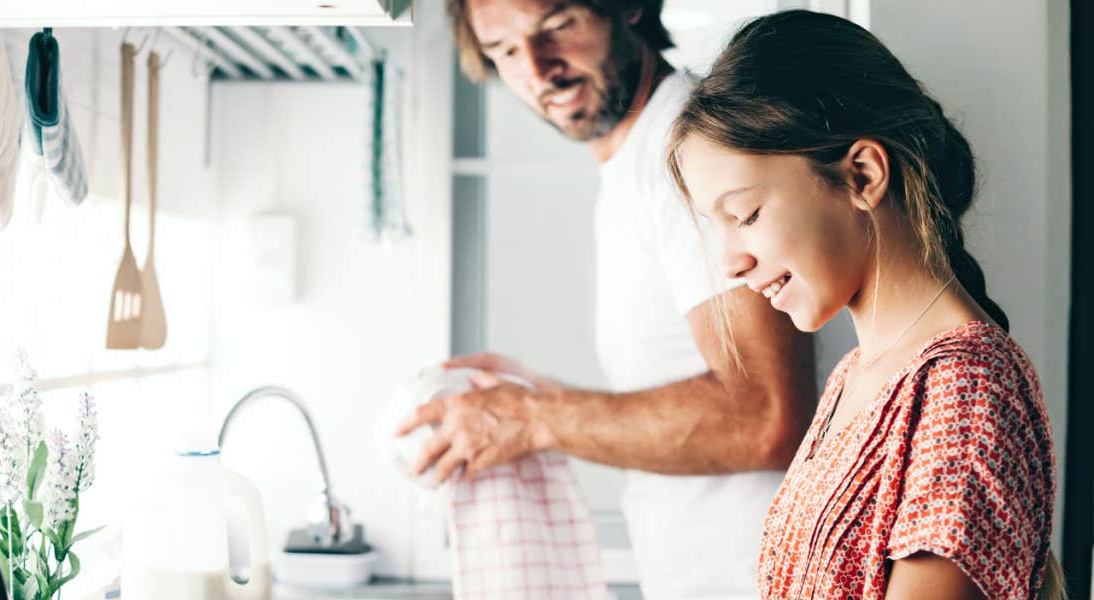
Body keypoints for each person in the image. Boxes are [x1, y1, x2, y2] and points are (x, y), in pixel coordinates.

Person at [396, 1, 819, 597]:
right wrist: (543, 401)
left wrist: (533, 418)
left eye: (556, 27)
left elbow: (767, 417)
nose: (541, 71)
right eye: (506, 51)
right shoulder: (637, 161)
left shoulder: (687, 149)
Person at [666, 10, 1064, 599]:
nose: (730, 262)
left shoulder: (966, 388)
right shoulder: (855, 378)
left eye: (746, 215)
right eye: (716, 227)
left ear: (862, 174)